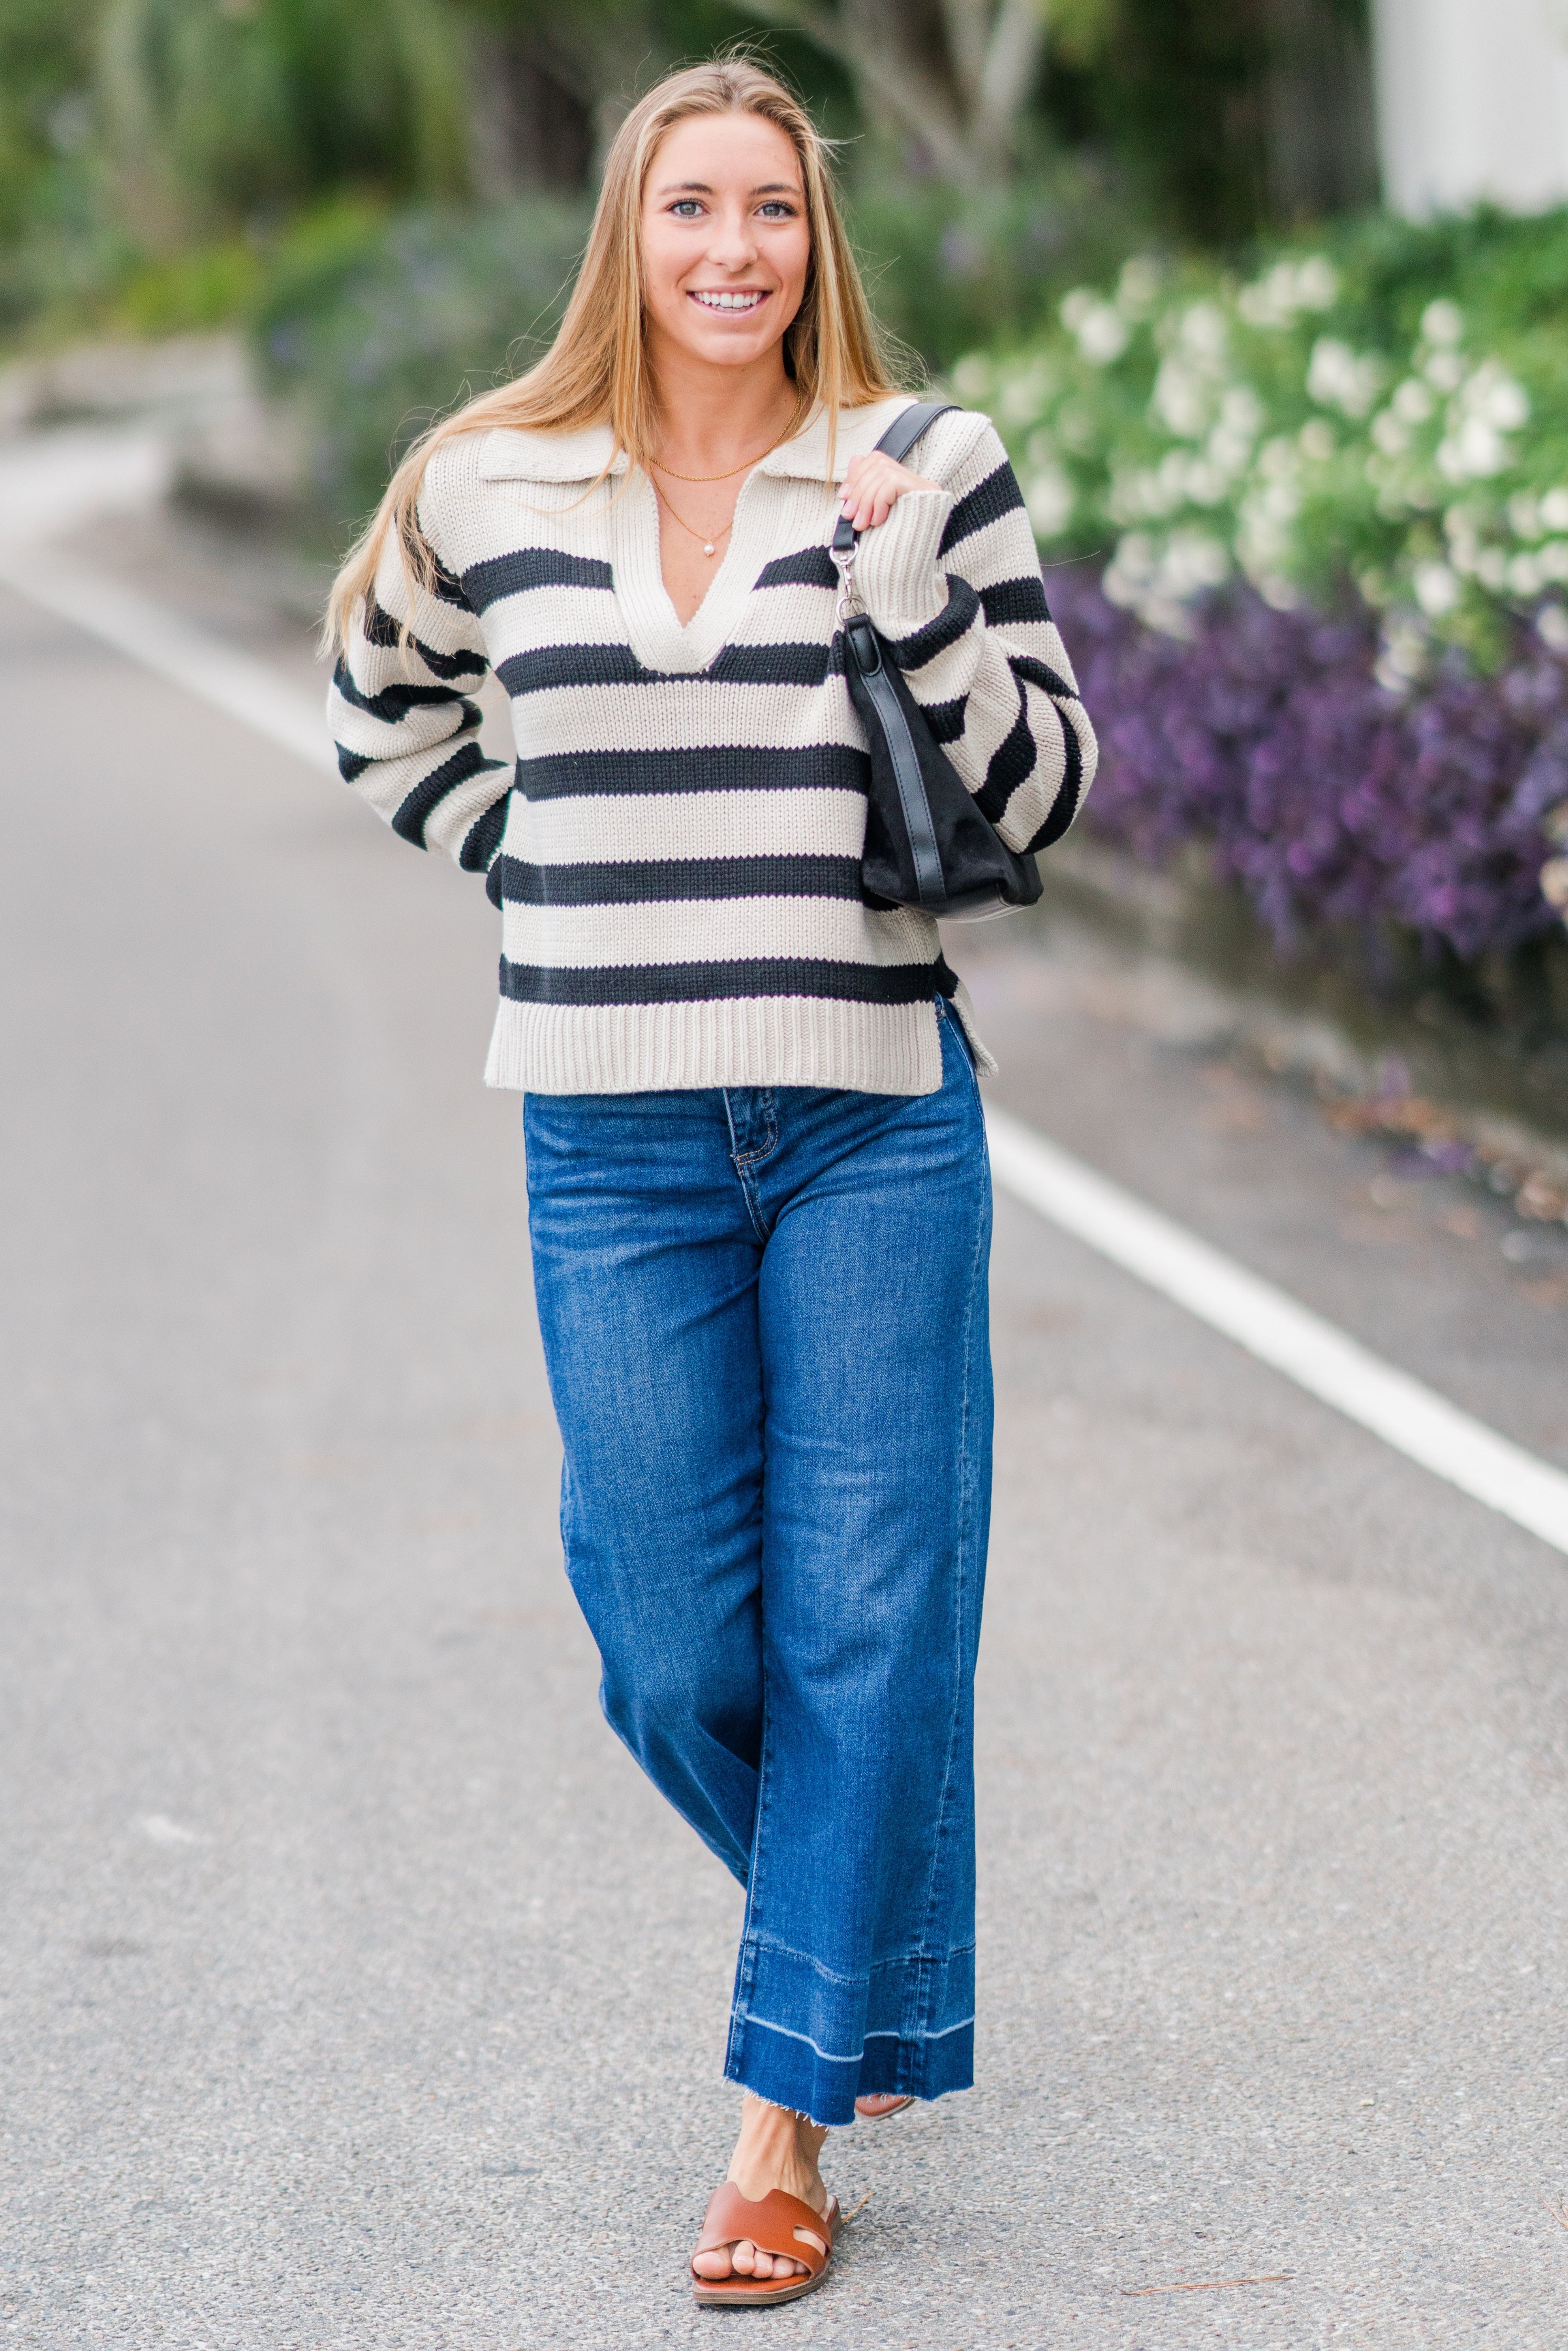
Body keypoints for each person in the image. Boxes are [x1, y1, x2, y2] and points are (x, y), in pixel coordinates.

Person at [325, 51, 1095, 2309]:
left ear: (814, 235)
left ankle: (778, 2129)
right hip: (612, 1136)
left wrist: (915, 599)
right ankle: (864, 1960)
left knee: (867, 1622)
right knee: (666, 1644)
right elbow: (381, 719)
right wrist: (548, 871)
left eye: (771, 207)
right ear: (628, 234)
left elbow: (1044, 793)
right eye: (692, 208)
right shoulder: (486, 479)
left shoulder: (922, 460)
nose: (733, 248)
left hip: (870, 1113)